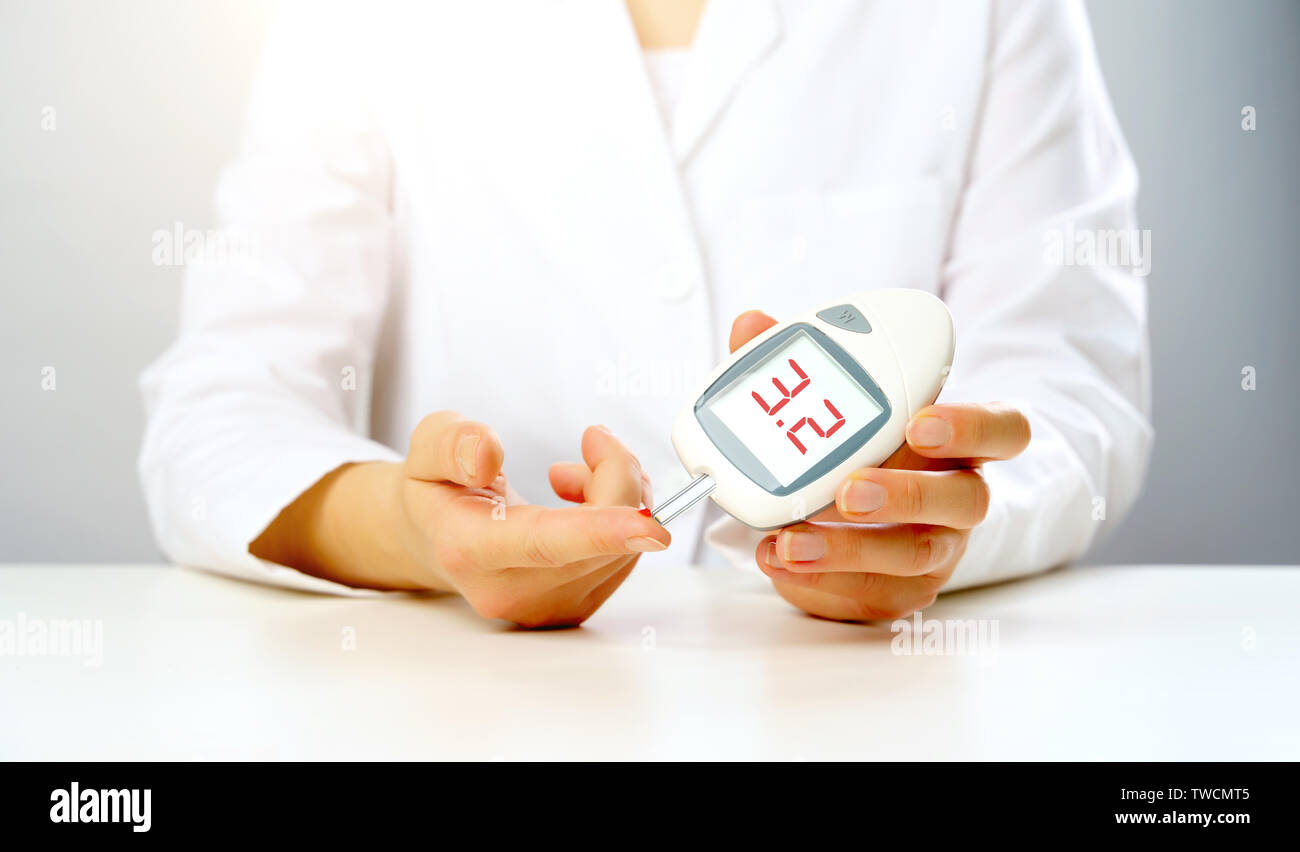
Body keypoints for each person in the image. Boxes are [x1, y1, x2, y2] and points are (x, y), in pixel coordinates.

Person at [139, 0, 1151, 627]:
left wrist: (939, 517)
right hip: (472, 720)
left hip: (874, 717)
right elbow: (221, 409)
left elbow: (1069, 391)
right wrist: (414, 535)